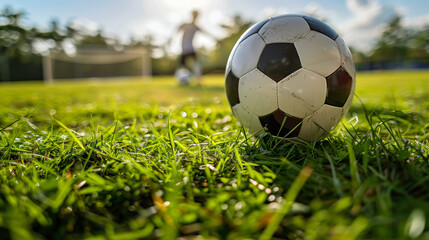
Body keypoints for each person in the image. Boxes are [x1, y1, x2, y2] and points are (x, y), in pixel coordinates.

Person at [175, 10, 215, 85]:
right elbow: (176, 31)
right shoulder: (185, 24)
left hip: (191, 48)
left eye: (196, 15)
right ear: (191, 15)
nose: (195, 17)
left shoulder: (196, 27)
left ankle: (199, 80)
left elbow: (206, 33)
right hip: (183, 49)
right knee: (182, 66)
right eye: (194, 15)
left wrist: (216, 39)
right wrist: (169, 40)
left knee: (197, 63)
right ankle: (181, 80)